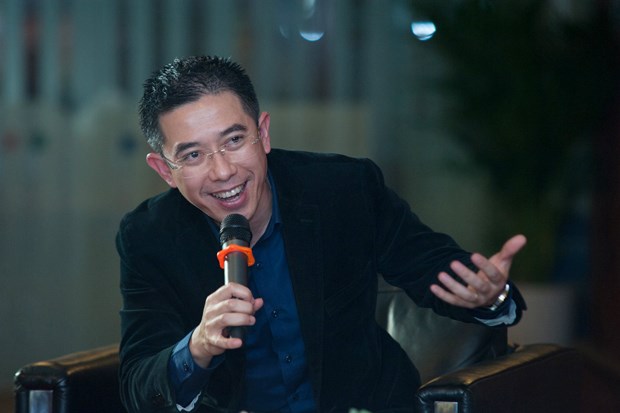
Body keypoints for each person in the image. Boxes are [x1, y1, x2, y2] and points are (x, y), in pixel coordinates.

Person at [117, 55, 527, 413]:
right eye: (193, 155)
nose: (223, 171)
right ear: (164, 170)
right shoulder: (148, 237)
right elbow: (138, 384)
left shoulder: (342, 189)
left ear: (263, 133)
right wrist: (199, 346)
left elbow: (431, 265)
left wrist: (490, 294)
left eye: (235, 140)